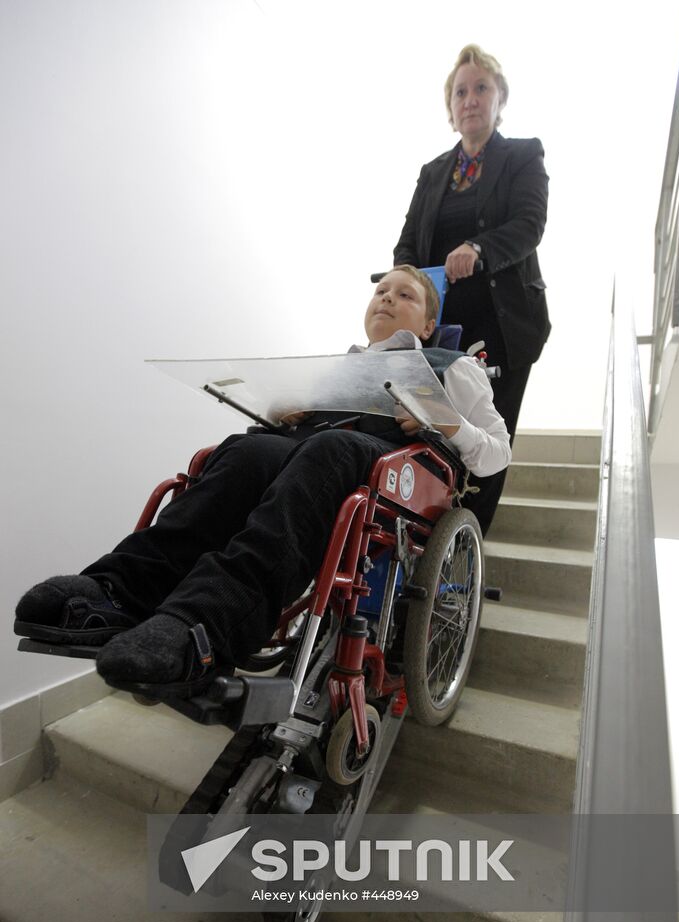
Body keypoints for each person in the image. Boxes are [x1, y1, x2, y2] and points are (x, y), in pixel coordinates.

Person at [15, 266, 510, 693]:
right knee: (247, 450)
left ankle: (208, 623)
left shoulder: (453, 367)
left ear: (428, 324)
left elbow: (496, 452)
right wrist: (281, 410)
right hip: (315, 454)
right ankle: (121, 592)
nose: (388, 297)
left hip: (387, 469)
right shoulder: (340, 368)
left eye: (406, 295)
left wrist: (447, 423)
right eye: (383, 290)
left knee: (328, 450)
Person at [393, 44, 550, 533]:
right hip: (438, 333)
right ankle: (420, 550)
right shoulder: (433, 173)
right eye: (461, 91)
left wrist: (478, 249)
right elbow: (407, 245)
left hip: (500, 328)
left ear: (499, 98)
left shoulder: (523, 155)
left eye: (482, 87)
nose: (471, 98)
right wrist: (402, 283)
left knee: (483, 441)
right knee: (422, 432)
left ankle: (465, 557)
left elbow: (529, 224)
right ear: (450, 107)